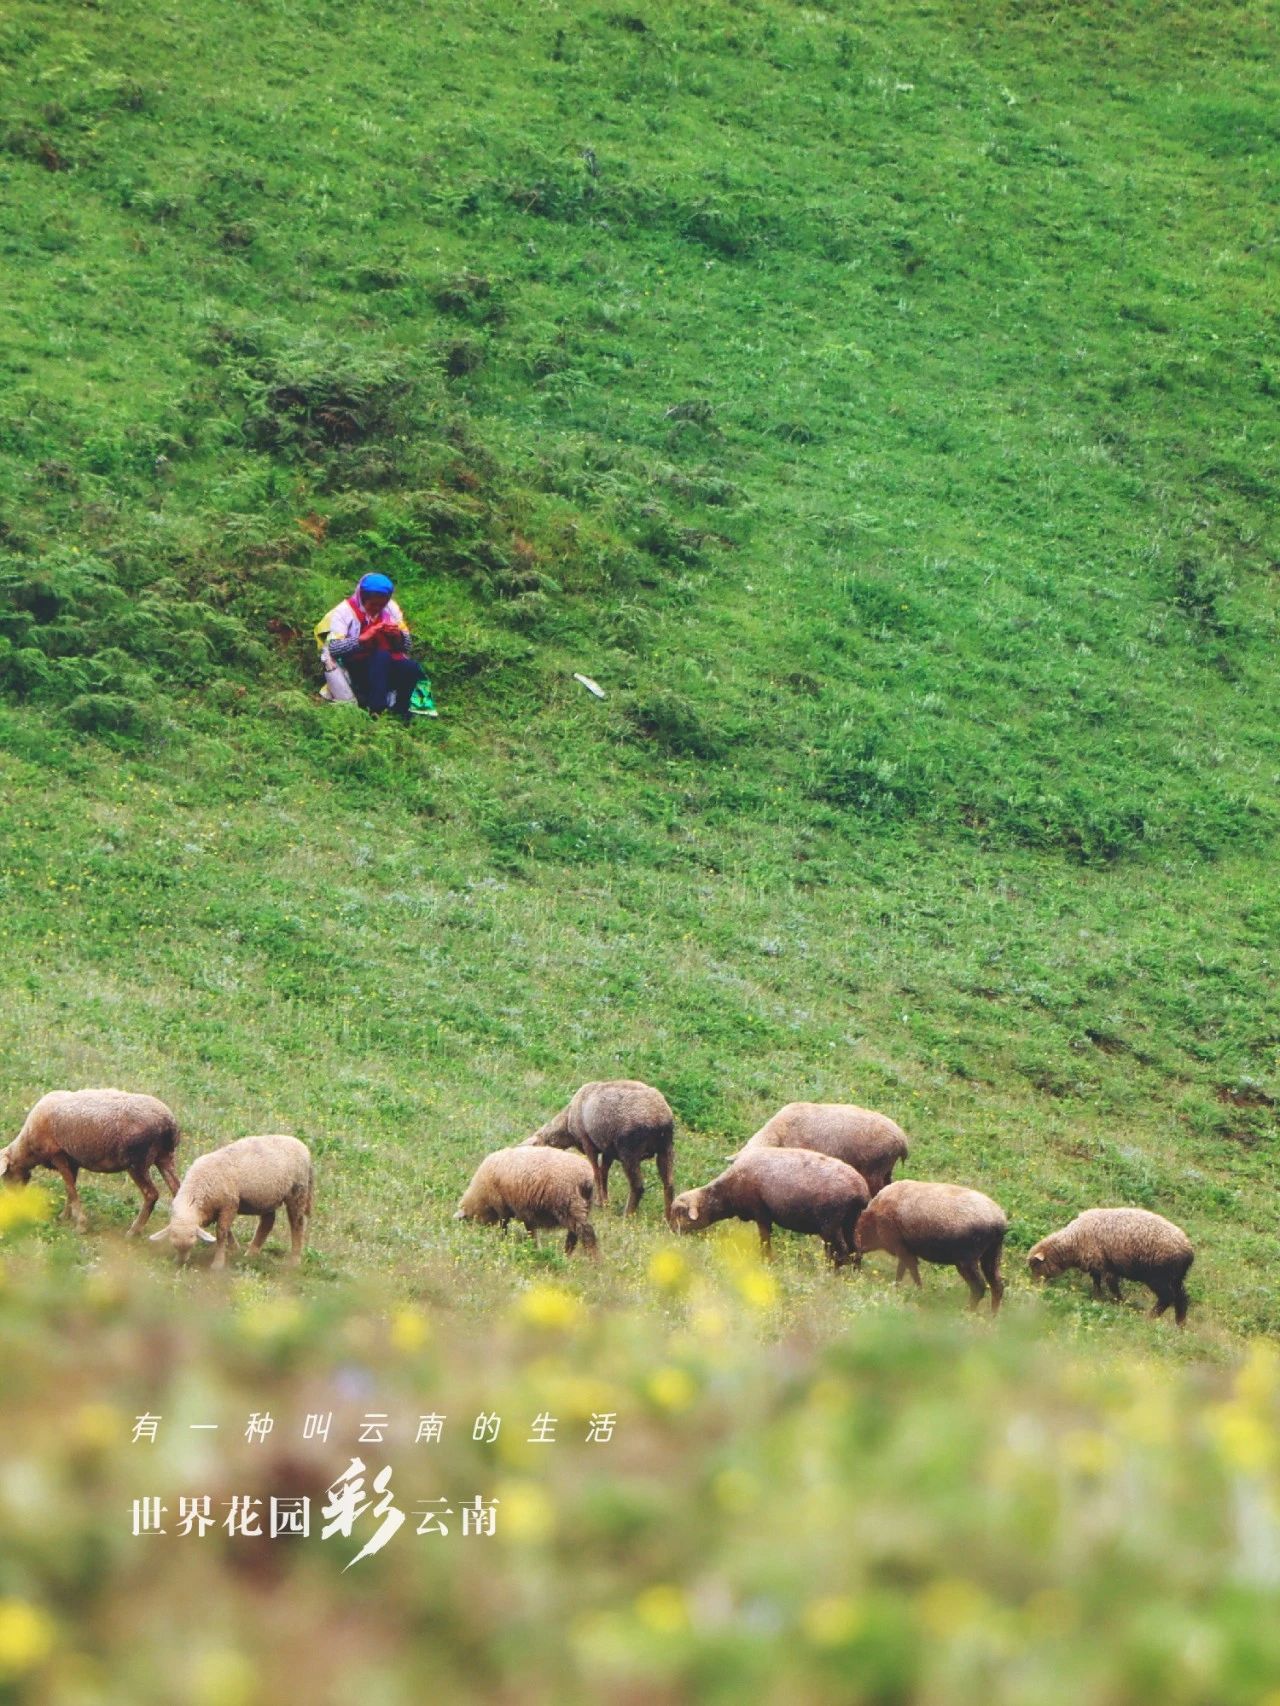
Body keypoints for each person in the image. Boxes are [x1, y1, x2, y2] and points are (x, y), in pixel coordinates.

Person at [316, 573, 426, 721]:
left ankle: (402, 710)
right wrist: (361, 639)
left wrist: (397, 636)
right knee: (381, 656)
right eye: (373, 604)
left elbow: (406, 645)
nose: (377, 608)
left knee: (411, 667)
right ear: (362, 597)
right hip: (356, 667)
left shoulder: (391, 608)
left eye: (382, 605)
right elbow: (334, 648)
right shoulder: (344, 612)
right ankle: (376, 709)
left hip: (385, 664)